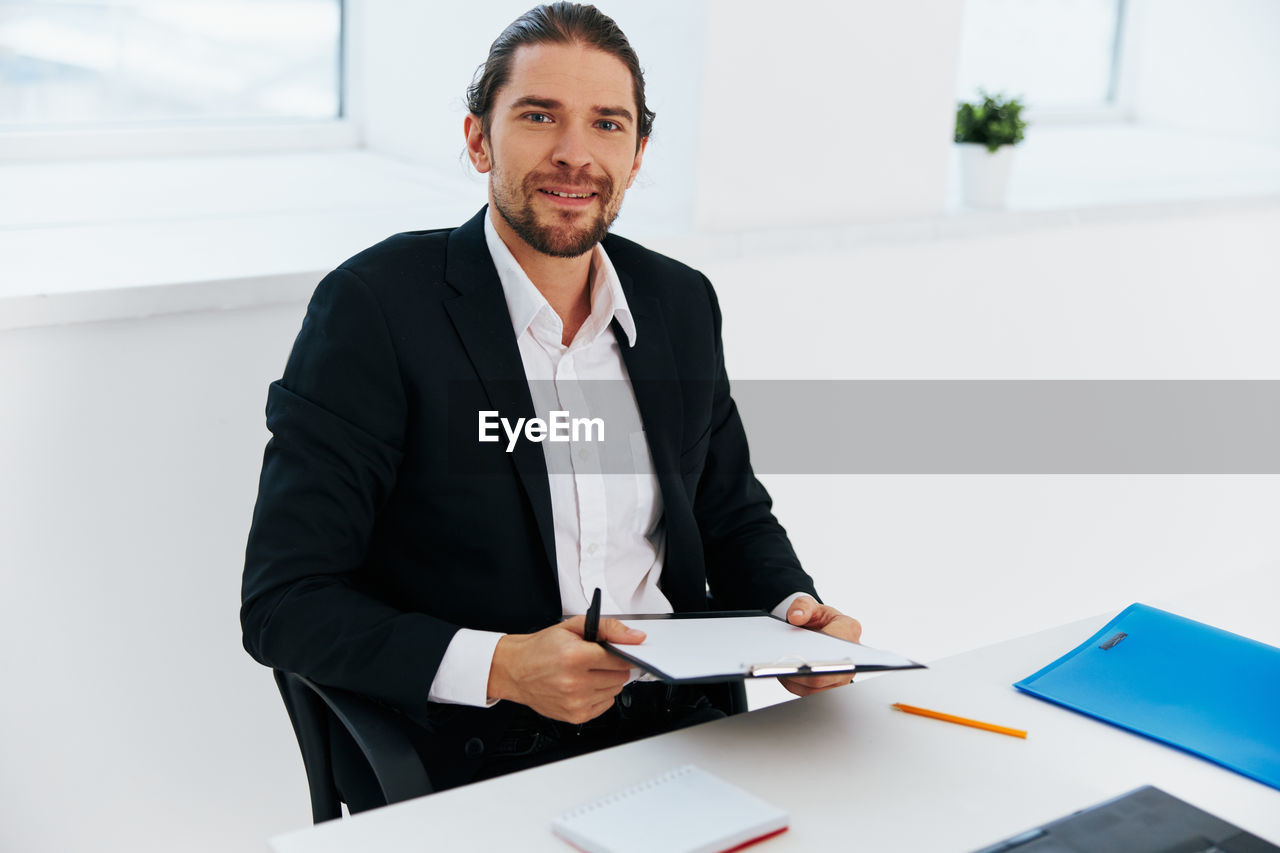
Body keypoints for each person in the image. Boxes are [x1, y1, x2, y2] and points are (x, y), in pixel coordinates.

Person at [241, 2, 861, 805]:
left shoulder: (678, 303)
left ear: (637, 155)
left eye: (607, 124)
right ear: (478, 139)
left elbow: (730, 514)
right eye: (539, 116)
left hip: (684, 732)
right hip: (472, 755)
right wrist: (503, 665)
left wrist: (794, 611)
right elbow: (285, 601)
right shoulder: (376, 309)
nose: (576, 155)